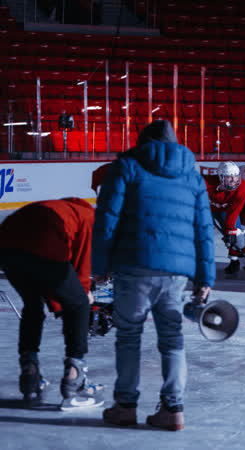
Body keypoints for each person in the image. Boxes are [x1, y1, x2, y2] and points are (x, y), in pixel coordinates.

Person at [93, 120, 215, 431]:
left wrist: (99, 267)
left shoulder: (127, 166)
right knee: (172, 338)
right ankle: (173, 410)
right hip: (175, 272)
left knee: (129, 335)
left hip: (133, 264)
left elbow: (107, 219)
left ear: (143, 141)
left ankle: (125, 406)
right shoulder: (192, 174)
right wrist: (205, 280)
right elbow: (204, 230)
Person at [0, 198, 103, 409]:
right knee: (80, 304)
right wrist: (83, 297)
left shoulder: (67, 209)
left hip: (6, 247)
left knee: (33, 306)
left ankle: (30, 373)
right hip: (42, 244)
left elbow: (50, 277)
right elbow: (80, 270)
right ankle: (75, 380)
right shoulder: (91, 219)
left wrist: (61, 303)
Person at [204, 161, 245, 278]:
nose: (233, 180)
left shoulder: (243, 187)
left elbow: (234, 211)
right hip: (205, 210)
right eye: (229, 177)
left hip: (226, 211)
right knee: (203, 235)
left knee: (238, 235)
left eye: (235, 177)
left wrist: (229, 230)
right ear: (220, 177)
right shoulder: (204, 183)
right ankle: (200, 265)